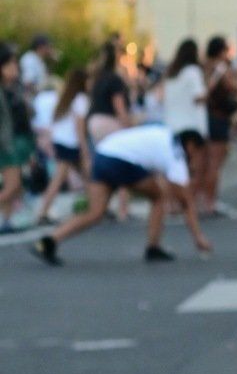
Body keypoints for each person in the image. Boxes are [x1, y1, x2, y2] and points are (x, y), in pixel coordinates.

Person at [35, 112, 212, 264]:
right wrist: (198, 238)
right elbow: (185, 200)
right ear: (190, 146)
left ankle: (49, 242)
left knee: (95, 212)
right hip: (122, 161)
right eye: (197, 153)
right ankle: (153, 246)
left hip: (103, 154)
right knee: (158, 197)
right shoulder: (176, 153)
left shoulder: (164, 132)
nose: (196, 159)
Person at [33, 64, 91, 227]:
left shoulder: (65, 98)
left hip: (61, 141)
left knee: (83, 175)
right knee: (64, 177)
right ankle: (43, 211)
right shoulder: (81, 99)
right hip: (71, 143)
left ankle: (95, 204)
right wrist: (84, 147)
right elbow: (79, 127)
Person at [161, 38, 210, 214]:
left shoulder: (171, 74)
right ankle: (189, 202)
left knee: (175, 169)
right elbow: (199, 97)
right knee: (193, 168)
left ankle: (172, 203)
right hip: (191, 126)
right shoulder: (192, 71)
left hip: (172, 126)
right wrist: (209, 87)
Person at [201, 38, 237, 215]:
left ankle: (201, 199)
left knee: (203, 162)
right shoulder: (221, 68)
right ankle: (210, 201)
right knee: (215, 163)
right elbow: (235, 87)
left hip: (203, 118)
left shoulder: (203, 67)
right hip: (218, 118)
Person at [0, 47, 36, 230]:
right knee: (13, 185)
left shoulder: (15, 87)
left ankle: (6, 220)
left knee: (13, 185)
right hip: (7, 144)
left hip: (17, 141)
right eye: (11, 63)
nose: (16, 67)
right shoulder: (4, 92)